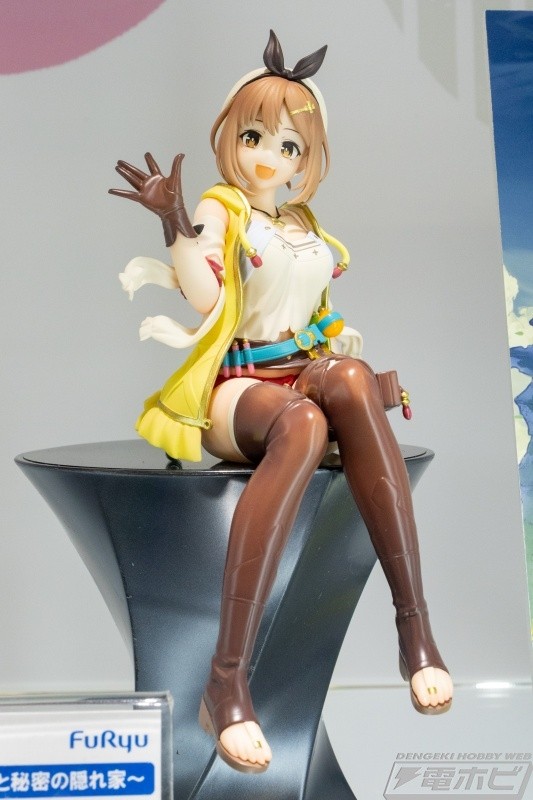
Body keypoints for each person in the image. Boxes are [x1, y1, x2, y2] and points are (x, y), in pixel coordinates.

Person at [110, 30, 453, 775]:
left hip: (301, 374)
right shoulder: (223, 209)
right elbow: (207, 297)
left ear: (306, 160)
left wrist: (338, 343)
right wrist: (171, 220)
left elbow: (315, 315)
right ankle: (226, 680)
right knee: (301, 424)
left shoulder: (303, 228)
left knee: (349, 381)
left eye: (289, 145)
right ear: (231, 138)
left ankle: (414, 631)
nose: (269, 156)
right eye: (255, 137)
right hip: (239, 391)